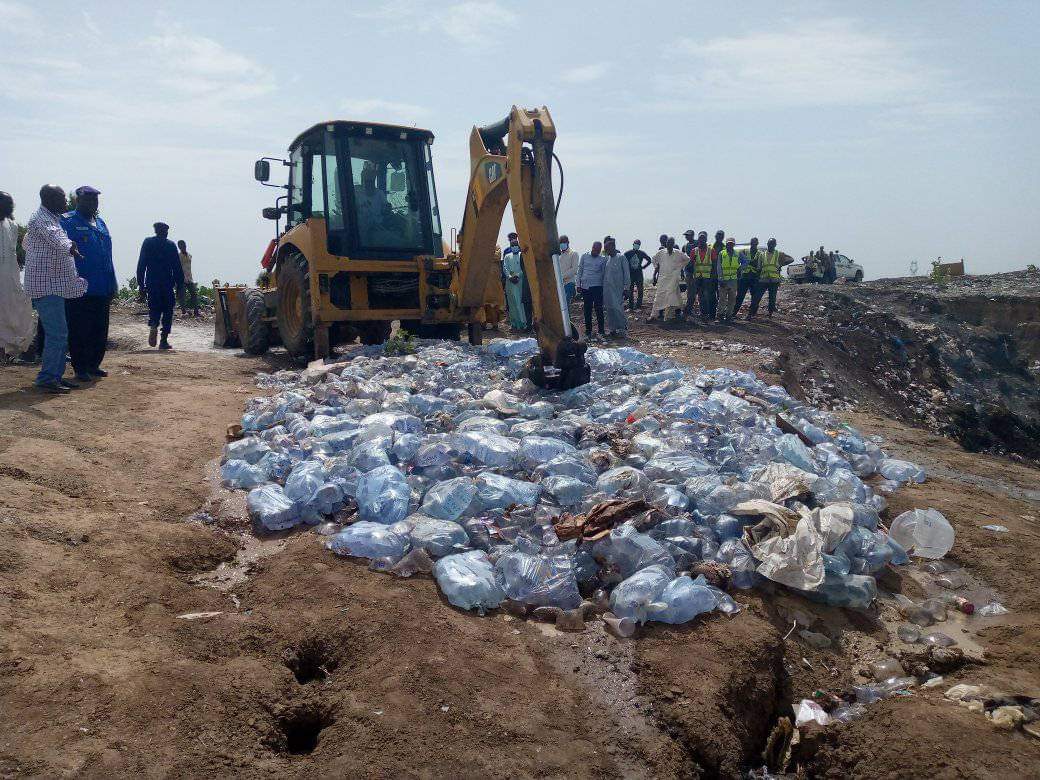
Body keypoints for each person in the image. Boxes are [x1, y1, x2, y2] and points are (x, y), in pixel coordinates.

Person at [22, 185, 88, 393]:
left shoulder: (51, 218)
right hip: (46, 286)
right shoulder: (41, 219)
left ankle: (55, 375)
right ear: (49, 199)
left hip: (54, 284)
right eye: (61, 198)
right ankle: (47, 378)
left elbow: (27, 243)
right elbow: (55, 237)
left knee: (60, 332)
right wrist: (70, 246)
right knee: (57, 333)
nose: (66, 202)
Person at [61, 186, 116, 381]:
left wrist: (113, 282)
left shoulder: (100, 223)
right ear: (78, 201)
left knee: (99, 329)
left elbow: (107, 256)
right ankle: (81, 367)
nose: (92, 203)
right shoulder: (67, 221)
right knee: (79, 330)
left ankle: (94, 364)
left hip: (102, 286)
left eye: (95, 200)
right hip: (79, 287)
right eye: (88, 200)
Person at [0, 191, 36, 361]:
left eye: (11, 204)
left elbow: (13, 254)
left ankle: (9, 352)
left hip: (10, 280)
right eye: (7, 203)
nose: (11, 207)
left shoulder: (12, 226)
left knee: (16, 314)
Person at [137, 222, 184, 349]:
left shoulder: (148, 243)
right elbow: (177, 267)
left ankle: (153, 325)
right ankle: (163, 340)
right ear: (166, 232)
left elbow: (141, 264)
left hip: (152, 282)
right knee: (168, 311)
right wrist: (180, 285)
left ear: (155, 231)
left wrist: (141, 285)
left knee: (154, 307)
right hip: (167, 283)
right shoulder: (170, 245)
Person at [649, 237, 685, 322]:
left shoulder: (677, 253)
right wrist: (656, 267)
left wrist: (679, 269)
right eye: (668, 243)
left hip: (673, 279)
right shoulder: (661, 252)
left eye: (671, 243)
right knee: (659, 296)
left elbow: (686, 259)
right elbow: (653, 260)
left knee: (672, 296)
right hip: (663, 279)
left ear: (673, 244)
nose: (669, 244)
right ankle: (654, 315)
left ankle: (670, 316)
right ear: (666, 243)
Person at [576, 240, 607, 339]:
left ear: (600, 250)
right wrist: (578, 284)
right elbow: (580, 270)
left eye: (598, 250)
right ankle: (588, 331)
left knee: (599, 309)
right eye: (594, 249)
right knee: (587, 309)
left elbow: (604, 274)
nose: (596, 251)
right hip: (586, 287)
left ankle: (601, 331)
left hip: (597, 287)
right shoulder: (584, 256)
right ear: (592, 247)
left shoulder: (603, 259)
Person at [601, 236, 630, 338]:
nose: (606, 251)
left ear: (613, 247)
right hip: (607, 290)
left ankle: (622, 329)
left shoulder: (621, 257)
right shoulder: (607, 259)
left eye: (607, 249)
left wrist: (626, 289)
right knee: (610, 310)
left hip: (618, 289)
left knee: (618, 309)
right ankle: (612, 330)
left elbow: (626, 274)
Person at [750, 237, 785, 318]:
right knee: (756, 297)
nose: (771, 246)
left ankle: (770, 314)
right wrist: (757, 280)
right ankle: (751, 313)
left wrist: (779, 279)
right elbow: (759, 268)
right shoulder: (762, 255)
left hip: (774, 280)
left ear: (775, 245)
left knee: (772, 299)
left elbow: (780, 266)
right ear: (767, 244)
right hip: (763, 279)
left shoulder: (778, 254)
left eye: (772, 244)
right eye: (769, 244)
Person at [501, 233, 528, 331]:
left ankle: (523, 324)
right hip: (510, 283)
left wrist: (517, 276)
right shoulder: (507, 256)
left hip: (519, 282)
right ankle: (514, 324)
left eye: (516, 245)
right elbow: (505, 267)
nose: (514, 247)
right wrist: (509, 277)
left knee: (519, 303)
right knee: (511, 304)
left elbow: (524, 268)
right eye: (512, 246)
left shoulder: (522, 255)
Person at [688, 231, 717, 322]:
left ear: (706, 240)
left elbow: (714, 265)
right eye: (700, 239)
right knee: (700, 297)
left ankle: (710, 315)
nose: (701, 241)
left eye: (703, 239)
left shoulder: (711, 250)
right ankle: (703, 314)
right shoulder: (694, 251)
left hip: (708, 278)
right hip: (698, 278)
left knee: (708, 296)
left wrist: (713, 277)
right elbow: (691, 265)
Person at [734, 236, 762, 316]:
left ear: (757, 244)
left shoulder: (760, 253)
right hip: (744, 276)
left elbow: (759, 264)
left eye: (755, 243)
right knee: (739, 296)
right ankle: (734, 313)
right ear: (750, 243)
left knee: (755, 298)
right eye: (752, 243)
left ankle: (751, 314)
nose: (753, 244)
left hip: (754, 277)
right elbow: (739, 262)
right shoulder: (745, 251)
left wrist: (748, 262)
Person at [623, 239, 651, 311]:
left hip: (639, 274)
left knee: (640, 289)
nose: (637, 245)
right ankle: (631, 305)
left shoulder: (641, 253)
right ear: (633, 244)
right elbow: (622, 261)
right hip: (630, 274)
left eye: (638, 244)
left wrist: (643, 267)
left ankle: (639, 305)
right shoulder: (628, 253)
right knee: (630, 290)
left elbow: (649, 260)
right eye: (636, 244)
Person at [717, 237, 740, 322]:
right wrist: (720, 279)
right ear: (726, 244)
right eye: (728, 243)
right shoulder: (722, 253)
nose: (730, 245)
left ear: (733, 245)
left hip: (733, 280)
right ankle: (720, 315)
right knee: (722, 299)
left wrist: (740, 268)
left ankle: (729, 316)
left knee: (732, 299)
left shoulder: (737, 254)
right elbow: (719, 267)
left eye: (731, 243)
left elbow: (745, 261)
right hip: (724, 280)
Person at [556, 234, 579, 307]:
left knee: (565, 305)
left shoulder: (573, 254)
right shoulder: (558, 256)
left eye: (563, 242)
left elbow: (574, 270)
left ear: (568, 242)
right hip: (559, 285)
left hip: (569, 283)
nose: (562, 244)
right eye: (560, 242)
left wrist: (561, 277)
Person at [178, 240, 200, 316]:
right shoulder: (178, 256)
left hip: (189, 278)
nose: (182, 247)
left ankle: (196, 312)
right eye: (180, 245)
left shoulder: (189, 255)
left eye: (183, 245)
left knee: (194, 294)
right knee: (182, 295)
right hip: (181, 278)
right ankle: (184, 311)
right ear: (179, 247)